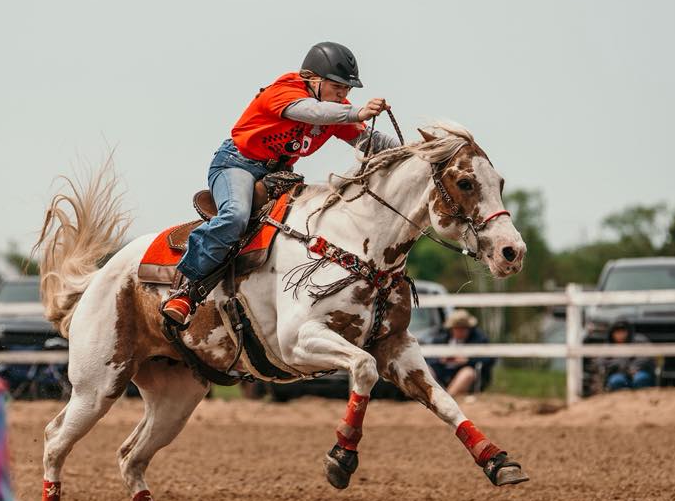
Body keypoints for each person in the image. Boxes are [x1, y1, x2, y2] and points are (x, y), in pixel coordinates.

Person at [161, 42, 401, 324]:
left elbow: (371, 141)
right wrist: (357, 112)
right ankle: (185, 288)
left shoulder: (337, 110)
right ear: (312, 79)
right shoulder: (285, 90)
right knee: (235, 216)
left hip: (278, 175)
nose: (343, 94)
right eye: (337, 86)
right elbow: (311, 112)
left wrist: (416, 154)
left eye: (347, 90)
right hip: (236, 164)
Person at [430, 309, 496, 398]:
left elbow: (489, 359)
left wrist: (467, 360)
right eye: (457, 328)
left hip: (466, 376)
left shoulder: (479, 339)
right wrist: (441, 359)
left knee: (467, 373)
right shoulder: (441, 339)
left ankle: (446, 398)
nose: (460, 331)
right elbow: (429, 358)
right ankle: (429, 398)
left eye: (463, 328)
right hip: (442, 373)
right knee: (427, 370)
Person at [595, 322, 657, 391]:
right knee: (616, 381)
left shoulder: (639, 341)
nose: (620, 335)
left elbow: (647, 357)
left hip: (639, 372)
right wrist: (619, 366)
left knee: (641, 379)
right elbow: (600, 362)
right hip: (619, 374)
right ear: (612, 334)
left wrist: (634, 367)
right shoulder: (608, 346)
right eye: (617, 332)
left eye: (623, 331)